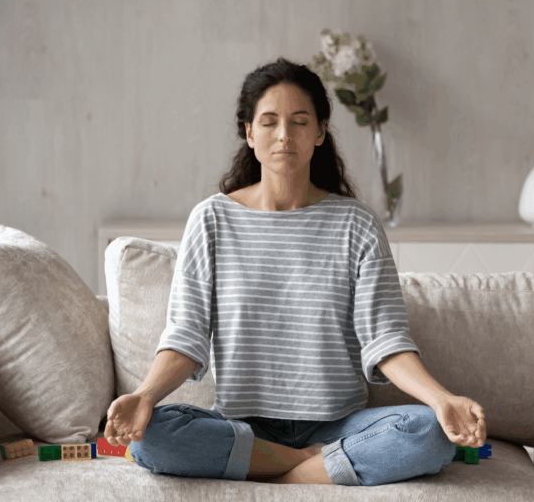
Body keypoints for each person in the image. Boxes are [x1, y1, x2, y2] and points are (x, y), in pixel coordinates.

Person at [103, 57, 486, 486]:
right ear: (249, 133)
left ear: (320, 132)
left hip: (338, 425)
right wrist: (144, 396)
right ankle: (316, 464)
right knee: (150, 437)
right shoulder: (211, 219)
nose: (284, 135)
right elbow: (186, 336)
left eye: (300, 121)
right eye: (268, 122)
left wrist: (442, 399)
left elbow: (386, 341)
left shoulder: (356, 224)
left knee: (428, 434)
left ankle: (275, 471)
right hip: (245, 426)